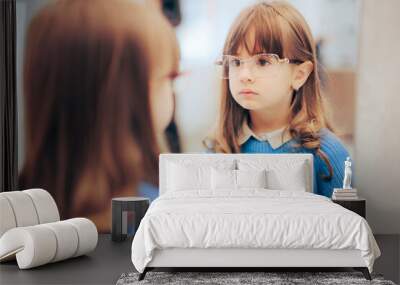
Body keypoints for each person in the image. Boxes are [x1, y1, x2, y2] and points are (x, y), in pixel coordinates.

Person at [19, 0, 180, 232]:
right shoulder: (156, 217)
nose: (173, 90)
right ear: (128, 98)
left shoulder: (24, 209)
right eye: (170, 77)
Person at [207, 1, 350, 197]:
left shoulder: (327, 154)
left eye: (263, 61)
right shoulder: (218, 149)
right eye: (236, 62)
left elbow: (343, 226)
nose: (244, 75)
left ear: (299, 75)